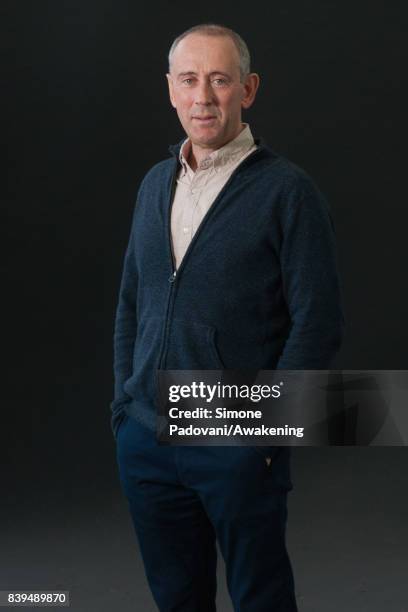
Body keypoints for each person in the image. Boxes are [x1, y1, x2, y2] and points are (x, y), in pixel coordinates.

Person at [111, 23, 344, 612]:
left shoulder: (288, 192)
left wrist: (264, 437)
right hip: (147, 440)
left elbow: (318, 323)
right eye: (189, 80)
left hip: (235, 438)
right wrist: (125, 410)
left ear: (249, 89)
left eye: (220, 80)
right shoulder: (152, 186)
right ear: (170, 89)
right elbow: (131, 305)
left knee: (261, 599)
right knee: (177, 600)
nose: (203, 97)